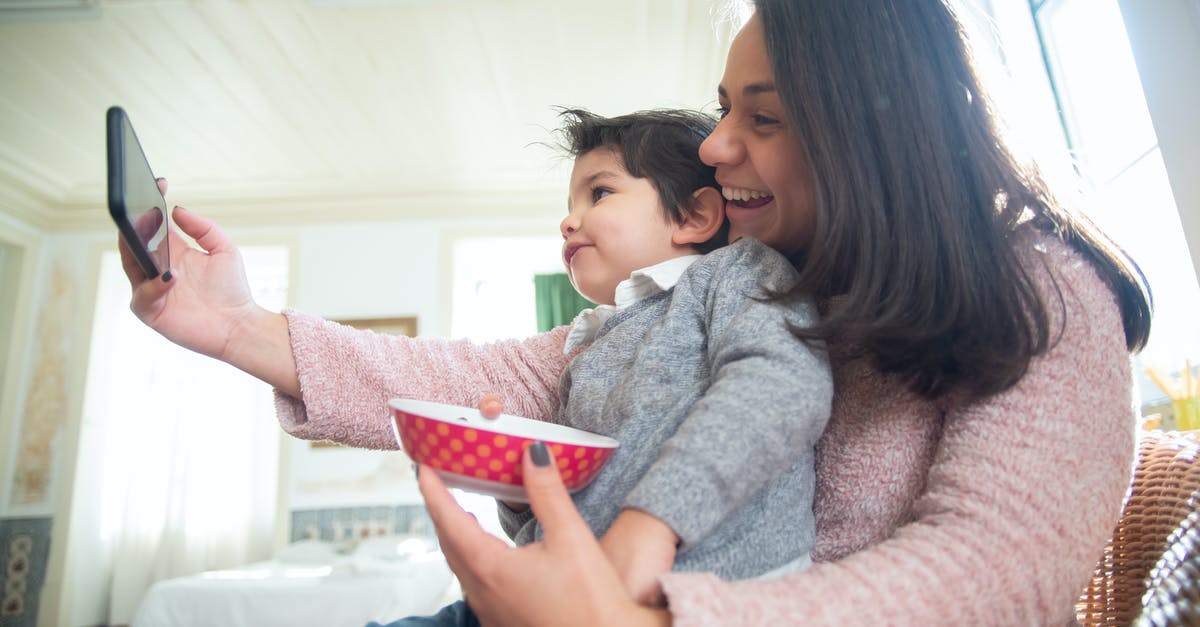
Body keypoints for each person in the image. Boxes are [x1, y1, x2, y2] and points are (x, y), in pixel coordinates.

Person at [122, 0, 1153, 623]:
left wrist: (639, 616)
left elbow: (991, 574)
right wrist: (237, 329)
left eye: (764, 117)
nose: (713, 145)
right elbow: (493, 376)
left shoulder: (1047, 291)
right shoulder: (741, 285)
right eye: (723, 108)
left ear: (884, 136)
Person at [379, 108, 831, 627]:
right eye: (570, 204)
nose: (569, 220)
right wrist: (518, 486)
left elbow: (780, 388)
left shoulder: (735, 271)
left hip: (696, 593)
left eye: (599, 194)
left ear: (693, 217)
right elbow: (578, 506)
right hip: (562, 592)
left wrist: (656, 519)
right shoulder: (592, 346)